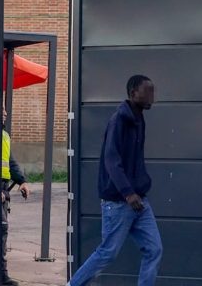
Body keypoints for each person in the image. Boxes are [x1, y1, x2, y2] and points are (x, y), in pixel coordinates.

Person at [68, 75, 162, 286]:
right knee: (108, 253)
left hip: (140, 201)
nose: (152, 96)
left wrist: (137, 190)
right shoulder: (119, 120)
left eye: (153, 91)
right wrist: (128, 193)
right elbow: (111, 160)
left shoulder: (139, 119)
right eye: (148, 91)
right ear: (133, 93)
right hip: (119, 202)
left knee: (154, 249)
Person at [0, 127, 31, 286]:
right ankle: (0, 274)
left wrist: (22, 181)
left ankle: (1, 274)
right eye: (2, 109)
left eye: (5, 109)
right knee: (1, 229)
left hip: (3, 189)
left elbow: (10, 162)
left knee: (2, 230)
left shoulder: (4, 135)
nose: (4, 112)